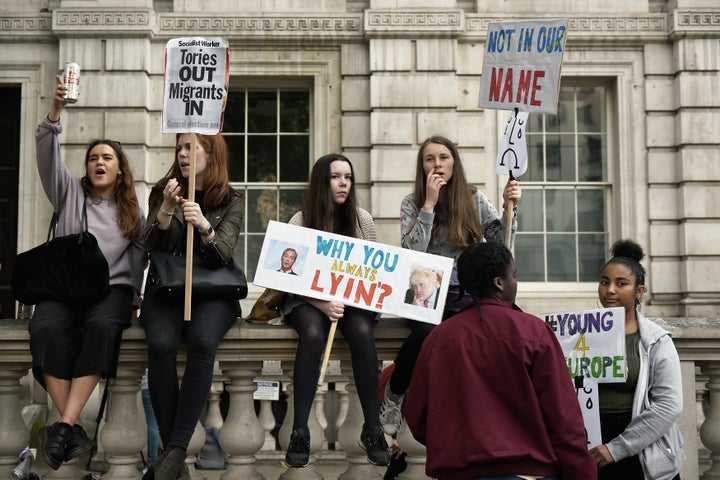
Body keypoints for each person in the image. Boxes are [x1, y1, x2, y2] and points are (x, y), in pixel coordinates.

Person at [404, 241, 597, 480]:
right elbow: (564, 418)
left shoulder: (438, 339)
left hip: (458, 471)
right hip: (525, 471)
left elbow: (416, 415)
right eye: (514, 276)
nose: (516, 283)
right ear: (499, 282)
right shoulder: (534, 332)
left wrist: (453, 443)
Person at [31, 76, 146, 470]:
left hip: (109, 292)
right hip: (64, 288)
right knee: (43, 327)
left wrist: (133, 299)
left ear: (119, 169)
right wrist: (55, 111)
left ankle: (62, 424)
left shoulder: (132, 213)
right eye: (93, 157)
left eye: (107, 158)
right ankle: (71, 425)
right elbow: (47, 154)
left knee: (101, 329)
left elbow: (137, 263)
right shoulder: (68, 193)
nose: (99, 162)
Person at [380, 135, 522, 436]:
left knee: (509, 321)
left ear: (454, 163)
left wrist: (511, 209)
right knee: (427, 334)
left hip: (466, 291)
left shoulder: (473, 198)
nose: (437, 165)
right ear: (422, 167)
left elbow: (503, 244)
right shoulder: (411, 202)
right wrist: (429, 204)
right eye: (429, 159)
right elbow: (412, 250)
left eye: (443, 158)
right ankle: (394, 394)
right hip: (425, 291)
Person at [140, 132, 243, 480]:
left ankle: (175, 449)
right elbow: (149, 246)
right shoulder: (163, 190)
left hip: (213, 293)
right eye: (179, 148)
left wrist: (204, 226)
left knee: (201, 342)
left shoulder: (231, 199)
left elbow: (222, 255)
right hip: (168, 290)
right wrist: (167, 210)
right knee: (161, 344)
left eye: (191, 148)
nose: (183, 155)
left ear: (211, 154)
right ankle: (176, 460)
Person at [282, 154, 390, 468]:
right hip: (307, 300)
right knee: (313, 333)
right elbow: (288, 274)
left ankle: (373, 428)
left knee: (360, 330)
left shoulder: (362, 220)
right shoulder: (300, 221)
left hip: (353, 302)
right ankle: (299, 430)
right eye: (335, 177)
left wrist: (348, 300)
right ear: (321, 181)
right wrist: (321, 303)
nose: (343, 183)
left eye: (348, 177)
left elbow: (374, 271)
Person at [591, 239, 684, 480]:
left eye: (621, 284)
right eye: (604, 282)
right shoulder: (581, 336)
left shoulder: (657, 341)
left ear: (639, 291)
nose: (610, 290)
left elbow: (668, 405)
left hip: (641, 451)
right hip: (591, 449)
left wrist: (616, 449)